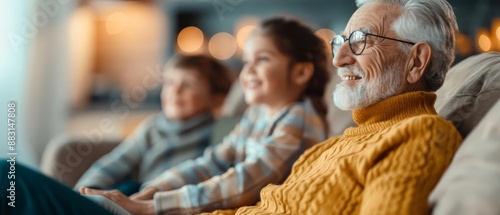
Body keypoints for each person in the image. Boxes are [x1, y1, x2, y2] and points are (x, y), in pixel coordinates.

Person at [1, 16, 330, 215]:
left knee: (8, 176)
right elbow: (213, 161)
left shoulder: (299, 119)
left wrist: (151, 206)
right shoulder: (258, 113)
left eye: (263, 59)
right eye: (246, 61)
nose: (248, 71)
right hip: (161, 203)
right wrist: (152, 190)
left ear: (301, 72)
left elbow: (245, 180)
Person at [205, 0, 463, 214]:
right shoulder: (333, 145)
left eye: (361, 40)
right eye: (341, 42)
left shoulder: (421, 134)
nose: (338, 60)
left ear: (416, 62)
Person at [74, 54, 234, 196]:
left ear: (216, 99)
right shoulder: (152, 127)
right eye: (170, 82)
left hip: (168, 202)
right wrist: (87, 190)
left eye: (188, 84)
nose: (175, 90)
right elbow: (117, 162)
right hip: (134, 195)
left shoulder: (219, 132)